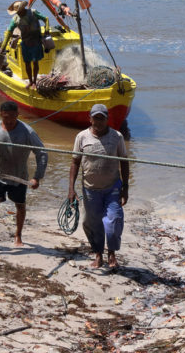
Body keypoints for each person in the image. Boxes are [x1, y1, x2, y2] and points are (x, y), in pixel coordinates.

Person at [0, 100, 48, 257]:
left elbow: (42, 153)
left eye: (13, 117)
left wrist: (37, 177)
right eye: (6, 117)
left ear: (17, 115)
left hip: (19, 177)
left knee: (20, 206)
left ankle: (18, 234)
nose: (10, 121)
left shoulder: (27, 132)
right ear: (1, 115)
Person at [69, 103, 130, 269]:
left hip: (112, 187)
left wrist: (125, 187)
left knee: (114, 220)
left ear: (107, 119)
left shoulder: (116, 137)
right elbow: (75, 162)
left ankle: (112, 254)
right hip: (90, 189)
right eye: (95, 118)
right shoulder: (82, 137)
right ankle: (98, 255)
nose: (98, 121)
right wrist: (71, 189)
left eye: (101, 118)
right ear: (90, 119)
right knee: (92, 222)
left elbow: (124, 162)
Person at [0, 0, 49, 89]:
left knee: (35, 62)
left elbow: (46, 19)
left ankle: (34, 82)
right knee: (27, 63)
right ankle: (30, 82)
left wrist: (47, 30)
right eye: (16, 12)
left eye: (19, 11)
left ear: (23, 8)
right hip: (26, 43)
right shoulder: (15, 19)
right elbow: (9, 32)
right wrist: (3, 47)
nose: (18, 13)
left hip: (36, 41)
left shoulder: (33, 12)